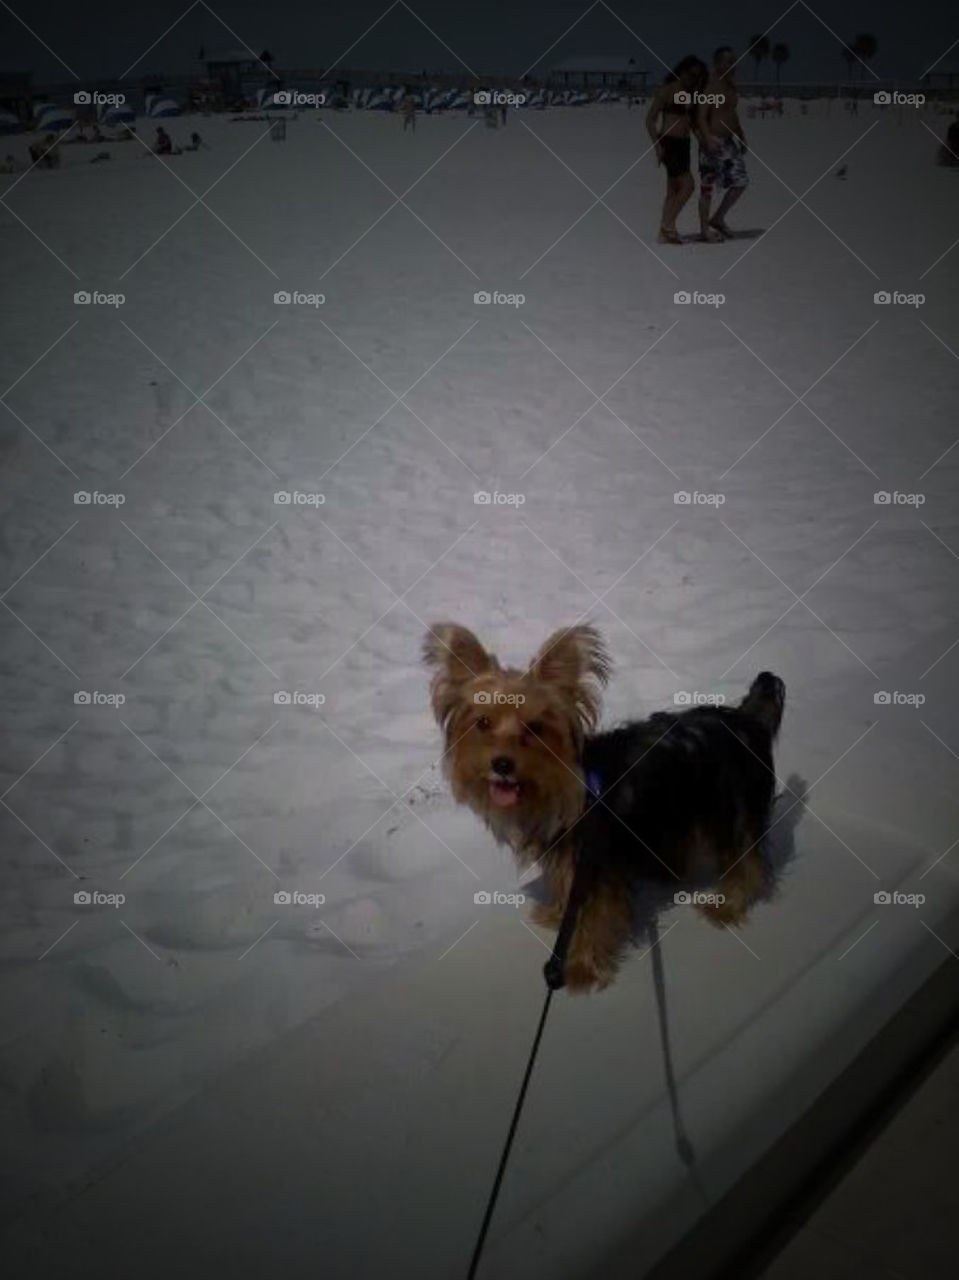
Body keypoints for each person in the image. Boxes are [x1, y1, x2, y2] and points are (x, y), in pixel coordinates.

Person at [645, 55, 709, 244]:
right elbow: (650, 120)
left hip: (684, 143)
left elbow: (693, 122)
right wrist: (657, 146)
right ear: (682, 71)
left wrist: (704, 141)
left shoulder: (691, 94)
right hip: (669, 142)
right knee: (688, 185)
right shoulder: (667, 90)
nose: (693, 79)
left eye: (697, 77)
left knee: (673, 190)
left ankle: (665, 232)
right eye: (691, 75)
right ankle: (668, 224)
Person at [696, 46, 749, 239]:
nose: (733, 66)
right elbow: (700, 116)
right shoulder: (709, 85)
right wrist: (708, 138)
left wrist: (741, 135)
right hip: (712, 141)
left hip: (729, 143)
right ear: (717, 63)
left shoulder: (731, 87)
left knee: (741, 182)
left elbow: (731, 114)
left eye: (734, 62)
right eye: (728, 62)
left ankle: (718, 218)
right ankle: (704, 230)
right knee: (707, 186)